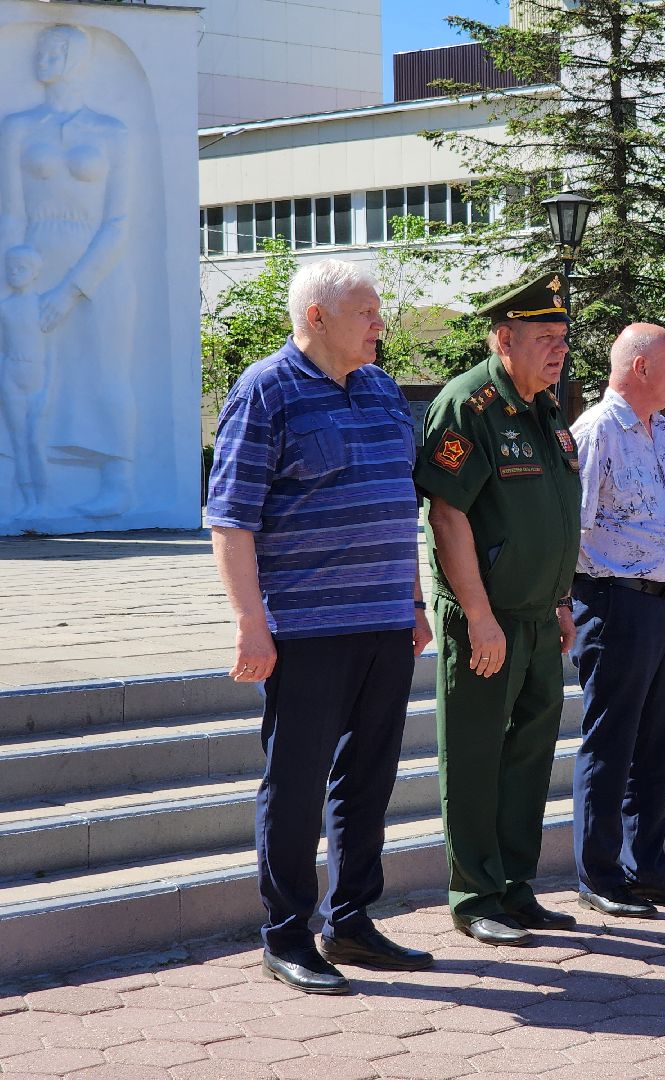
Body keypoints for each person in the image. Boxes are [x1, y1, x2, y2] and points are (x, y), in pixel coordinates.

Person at [207, 259, 435, 995]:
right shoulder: (264, 390)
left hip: (385, 625)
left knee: (369, 777)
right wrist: (251, 624)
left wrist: (415, 602)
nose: (379, 325)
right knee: (297, 783)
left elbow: (400, 505)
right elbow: (231, 518)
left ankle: (352, 919)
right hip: (305, 630)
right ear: (316, 318)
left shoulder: (381, 390)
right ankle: (287, 935)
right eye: (366, 313)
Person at [414, 273, 582, 946]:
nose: (558, 352)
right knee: (477, 758)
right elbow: (448, 515)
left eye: (563, 340)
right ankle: (475, 894)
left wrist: (563, 602)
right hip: (486, 620)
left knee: (529, 759)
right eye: (543, 339)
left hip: (539, 618)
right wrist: (479, 618)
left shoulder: (544, 407)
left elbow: (554, 515)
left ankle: (515, 886)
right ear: (502, 338)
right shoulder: (471, 406)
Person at [569, 324, 665, 918]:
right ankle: (599, 874)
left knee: (658, 741)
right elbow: (571, 526)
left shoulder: (664, 433)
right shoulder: (596, 431)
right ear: (639, 367)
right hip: (615, 602)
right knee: (612, 742)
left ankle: (647, 866)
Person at [0, 24, 135, 518]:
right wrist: (19, 274)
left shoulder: (111, 131)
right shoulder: (17, 127)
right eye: (41, 47)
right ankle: (33, 487)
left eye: (57, 49)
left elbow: (119, 221)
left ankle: (117, 479)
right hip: (34, 263)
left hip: (98, 269)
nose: (44, 55)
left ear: (78, 59)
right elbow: (11, 212)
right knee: (32, 379)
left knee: (105, 372)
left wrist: (73, 288)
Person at [0, 245, 48, 517]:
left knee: (35, 441)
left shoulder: (42, 305)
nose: (15, 274)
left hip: (37, 376)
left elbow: (53, 353)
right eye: (11, 269)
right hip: (11, 375)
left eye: (22, 269)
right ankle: (28, 501)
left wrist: (49, 389)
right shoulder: (4, 308)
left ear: (34, 273)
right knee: (18, 442)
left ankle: (42, 501)